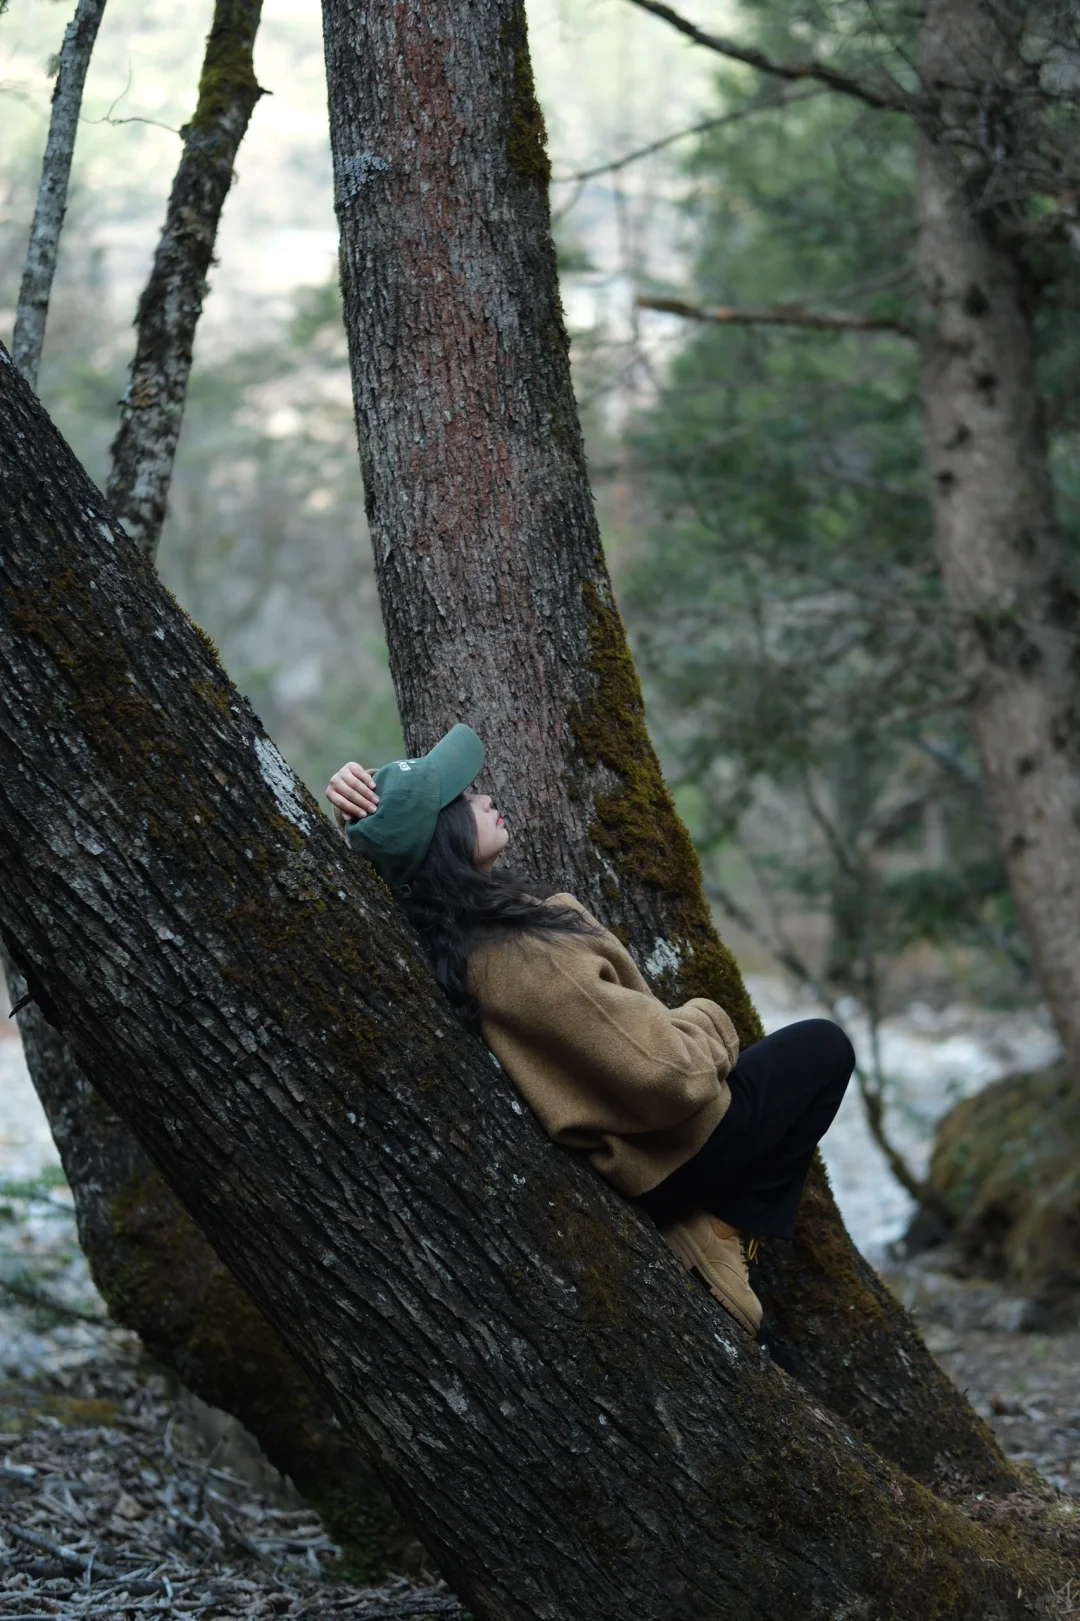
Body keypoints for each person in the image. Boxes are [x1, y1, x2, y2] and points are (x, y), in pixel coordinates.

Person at [326, 724, 855, 1338]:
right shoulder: (522, 951)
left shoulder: (454, 943)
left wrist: (356, 810)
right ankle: (719, 1228)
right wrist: (713, 1018)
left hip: (634, 1159)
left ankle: (705, 1226)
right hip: (671, 1151)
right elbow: (672, 1073)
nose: (482, 796)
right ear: (444, 838)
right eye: (462, 799)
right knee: (821, 1048)